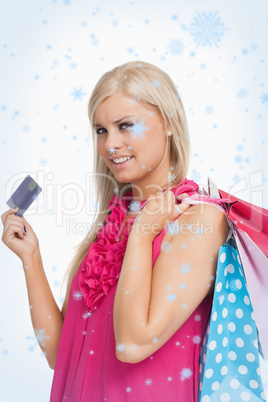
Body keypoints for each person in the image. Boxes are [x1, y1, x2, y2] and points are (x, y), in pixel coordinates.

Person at [1, 60, 231, 401]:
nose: (111, 144)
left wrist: (141, 235)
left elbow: (132, 344)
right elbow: (57, 354)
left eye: (125, 126)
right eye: (101, 130)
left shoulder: (199, 220)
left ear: (168, 123)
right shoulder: (111, 224)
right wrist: (30, 258)